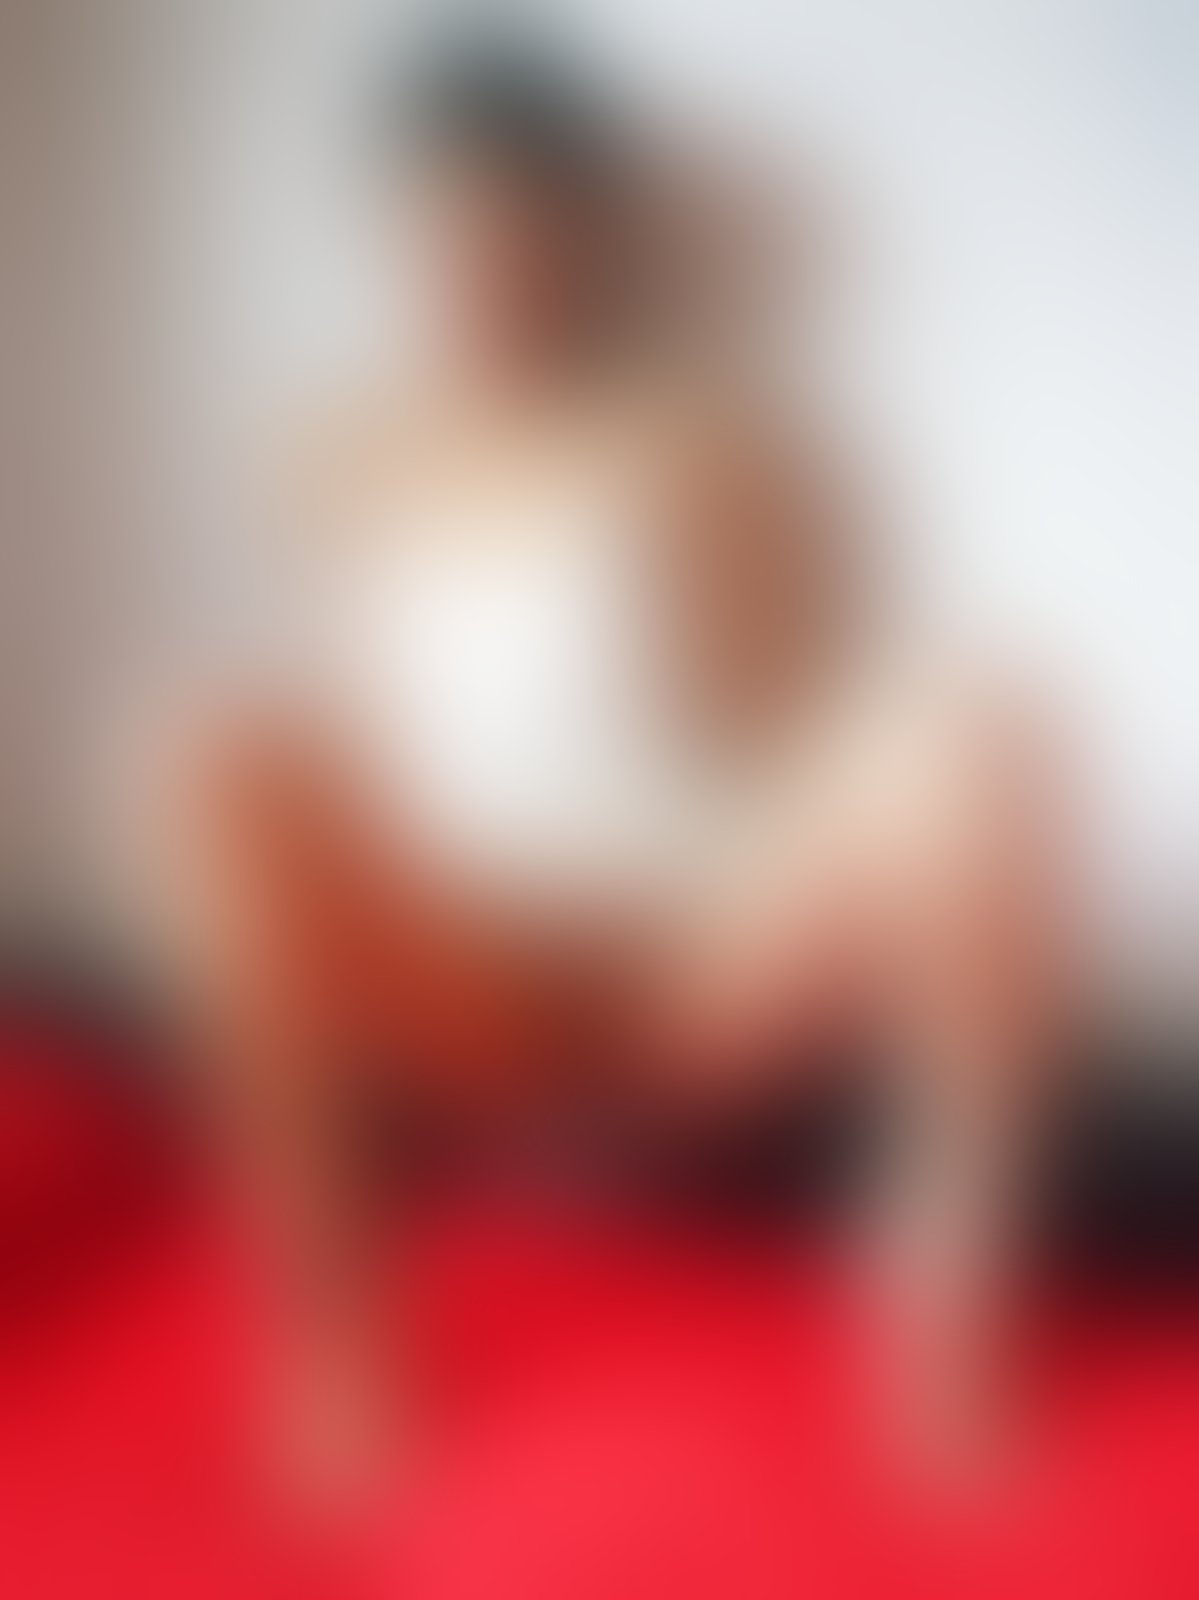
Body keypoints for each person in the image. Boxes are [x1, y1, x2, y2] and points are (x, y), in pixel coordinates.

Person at [150, 47, 1060, 1505]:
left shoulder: (707, 441)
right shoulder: (338, 455)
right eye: (450, 236)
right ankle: (341, 1345)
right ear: (401, 241)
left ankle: (942, 1326)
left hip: (689, 975)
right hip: (470, 986)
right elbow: (371, 733)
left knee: (979, 735)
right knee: (202, 748)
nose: (485, 273)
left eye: (523, 235)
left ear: (583, 244)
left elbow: (780, 735)